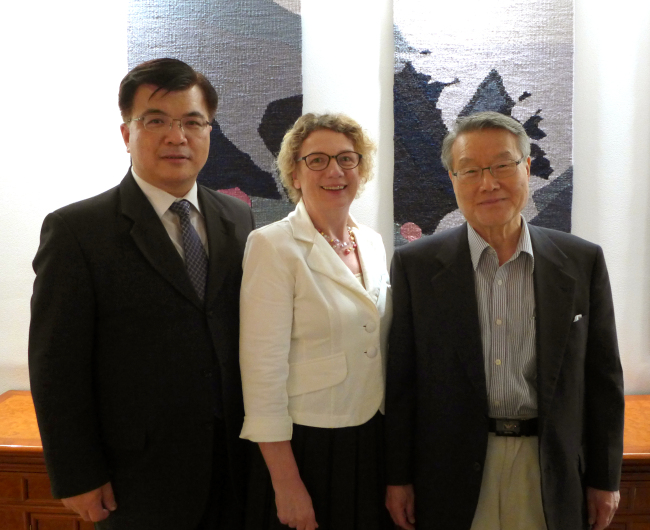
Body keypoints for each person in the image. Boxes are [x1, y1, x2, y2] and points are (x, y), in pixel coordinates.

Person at [28, 58, 254, 530]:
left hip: (238, 466)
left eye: (193, 122)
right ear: (127, 134)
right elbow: (56, 365)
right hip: (136, 477)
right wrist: (77, 475)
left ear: (209, 131)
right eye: (156, 121)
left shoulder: (237, 217)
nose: (177, 136)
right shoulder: (77, 230)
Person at [385, 111, 624, 530]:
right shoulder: (416, 266)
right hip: (452, 473)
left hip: (549, 469)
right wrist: (398, 477)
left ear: (527, 168)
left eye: (501, 165)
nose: (488, 183)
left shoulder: (582, 261)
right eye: (471, 170)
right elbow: (403, 383)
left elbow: (603, 380)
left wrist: (605, 479)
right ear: (452, 179)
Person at [238, 113, 393, 530]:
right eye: (318, 160)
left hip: (371, 433)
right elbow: (261, 373)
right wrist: (286, 483)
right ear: (294, 171)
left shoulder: (374, 244)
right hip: (308, 445)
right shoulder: (272, 245)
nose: (335, 171)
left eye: (347, 158)